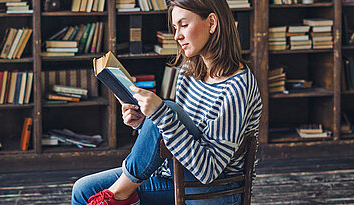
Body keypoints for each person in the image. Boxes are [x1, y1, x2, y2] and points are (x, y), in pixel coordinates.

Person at [71, 0, 262, 203]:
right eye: (174, 27)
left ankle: (118, 194)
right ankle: (119, 194)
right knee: (83, 189)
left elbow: (209, 171)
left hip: (217, 191)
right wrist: (145, 123)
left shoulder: (238, 86)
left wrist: (160, 115)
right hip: (177, 176)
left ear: (212, 23)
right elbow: (178, 138)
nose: (177, 36)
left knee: (167, 109)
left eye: (184, 25)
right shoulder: (189, 72)